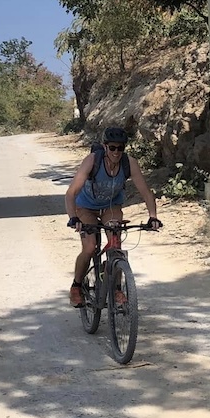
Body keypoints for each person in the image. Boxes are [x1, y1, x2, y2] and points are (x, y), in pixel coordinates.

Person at [64, 126, 162, 308]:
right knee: (90, 247)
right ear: (105, 146)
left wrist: (153, 216)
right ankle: (76, 286)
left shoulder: (129, 163)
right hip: (86, 207)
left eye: (120, 148)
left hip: (111, 206)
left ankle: (117, 289)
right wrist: (73, 217)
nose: (116, 152)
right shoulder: (92, 161)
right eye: (112, 148)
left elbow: (146, 193)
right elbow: (71, 193)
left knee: (115, 246)